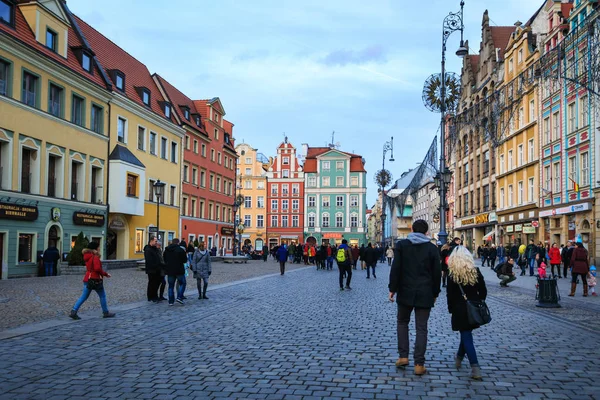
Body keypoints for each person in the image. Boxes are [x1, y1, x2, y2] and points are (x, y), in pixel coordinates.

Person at [388, 220, 441, 376]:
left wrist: (392, 289)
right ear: (426, 232)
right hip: (425, 293)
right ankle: (419, 364)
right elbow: (437, 273)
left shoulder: (402, 246)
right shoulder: (432, 248)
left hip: (405, 291)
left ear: (411, 229)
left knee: (402, 323)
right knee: (421, 328)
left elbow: (396, 268)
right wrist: (435, 292)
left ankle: (403, 356)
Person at [446, 245, 486, 381]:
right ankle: (458, 358)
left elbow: (449, 296)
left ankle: (475, 367)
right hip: (472, 308)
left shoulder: (452, 275)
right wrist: (477, 301)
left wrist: (451, 310)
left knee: (466, 336)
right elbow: (483, 291)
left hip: (459, 309)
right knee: (466, 334)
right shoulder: (475, 271)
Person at [69, 242, 115, 320]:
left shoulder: (87, 256)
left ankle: (74, 311)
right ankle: (105, 312)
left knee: (83, 297)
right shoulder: (95, 257)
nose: (99, 248)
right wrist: (105, 274)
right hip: (95, 279)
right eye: (98, 247)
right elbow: (97, 269)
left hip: (87, 278)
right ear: (95, 248)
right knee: (102, 296)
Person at [163, 238, 187, 305]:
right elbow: (184, 260)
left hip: (170, 270)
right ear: (178, 243)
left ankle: (171, 301)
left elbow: (164, 259)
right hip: (179, 270)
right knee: (183, 283)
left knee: (171, 286)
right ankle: (179, 297)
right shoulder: (180, 250)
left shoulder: (166, 250)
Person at [144, 236, 163, 303]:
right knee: (152, 283)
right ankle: (151, 296)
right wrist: (156, 265)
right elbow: (149, 261)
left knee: (156, 283)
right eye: (155, 241)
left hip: (157, 269)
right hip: (152, 270)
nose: (156, 242)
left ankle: (155, 295)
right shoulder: (148, 249)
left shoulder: (155, 248)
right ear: (151, 241)